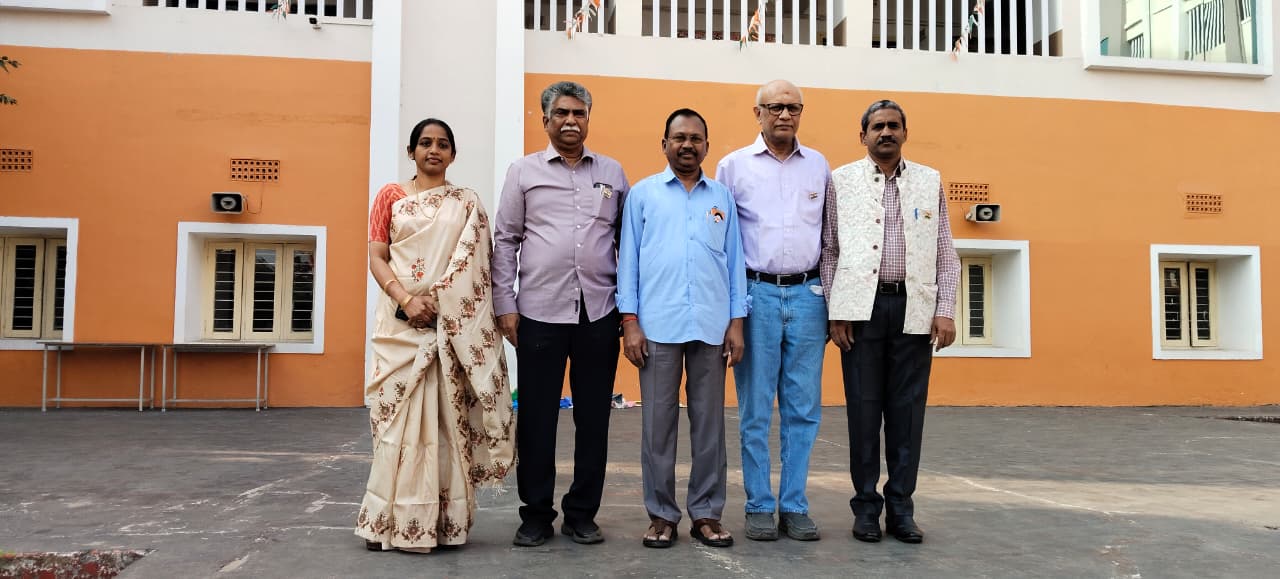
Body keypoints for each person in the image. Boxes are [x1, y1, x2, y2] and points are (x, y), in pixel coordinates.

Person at [355, 118, 515, 553]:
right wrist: (407, 299)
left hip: (448, 330)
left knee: (445, 427)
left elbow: (476, 267)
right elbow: (376, 256)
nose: (434, 150)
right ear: (411, 152)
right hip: (400, 327)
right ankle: (386, 522)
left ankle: (443, 524)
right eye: (425, 143)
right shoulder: (389, 196)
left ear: (453, 155)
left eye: (443, 144)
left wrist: (440, 304)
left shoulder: (466, 204)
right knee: (395, 428)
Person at [491, 81, 629, 547]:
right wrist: (505, 304)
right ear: (546, 119)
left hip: (599, 313)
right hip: (538, 314)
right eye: (562, 113)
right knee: (536, 419)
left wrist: (629, 311)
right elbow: (506, 240)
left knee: (594, 419)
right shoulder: (523, 172)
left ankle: (582, 514)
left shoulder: (612, 173)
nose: (571, 121)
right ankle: (535, 515)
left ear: (588, 118)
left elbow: (627, 244)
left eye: (579, 113)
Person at [822, 100, 960, 544]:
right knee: (863, 414)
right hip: (860, 314)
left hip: (913, 311)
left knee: (907, 414)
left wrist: (945, 309)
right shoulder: (841, 180)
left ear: (905, 132)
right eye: (878, 126)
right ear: (862, 135)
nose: (886, 132)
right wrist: (836, 310)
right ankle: (866, 508)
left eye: (894, 126)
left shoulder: (929, 180)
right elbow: (829, 250)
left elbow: (945, 251)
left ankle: (901, 508)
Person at [617, 108, 745, 549]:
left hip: (711, 325)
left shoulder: (722, 198)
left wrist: (736, 321)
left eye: (695, 138)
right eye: (679, 138)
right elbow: (628, 261)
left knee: (709, 426)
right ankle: (661, 515)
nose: (687, 145)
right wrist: (630, 322)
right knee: (658, 426)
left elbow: (735, 262)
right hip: (656, 326)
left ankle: (706, 513)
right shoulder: (642, 195)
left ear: (706, 145)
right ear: (664, 144)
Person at [714, 80, 830, 541]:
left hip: (808, 296)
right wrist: (732, 312)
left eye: (793, 107)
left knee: (803, 409)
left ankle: (795, 505)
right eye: (776, 107)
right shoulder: (733, 167)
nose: (785, 115)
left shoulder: (819, 165)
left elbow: (830, 239)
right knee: (756, 410)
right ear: (757, 112)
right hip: (756, 295)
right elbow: (723, 243)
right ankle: (760, 504)